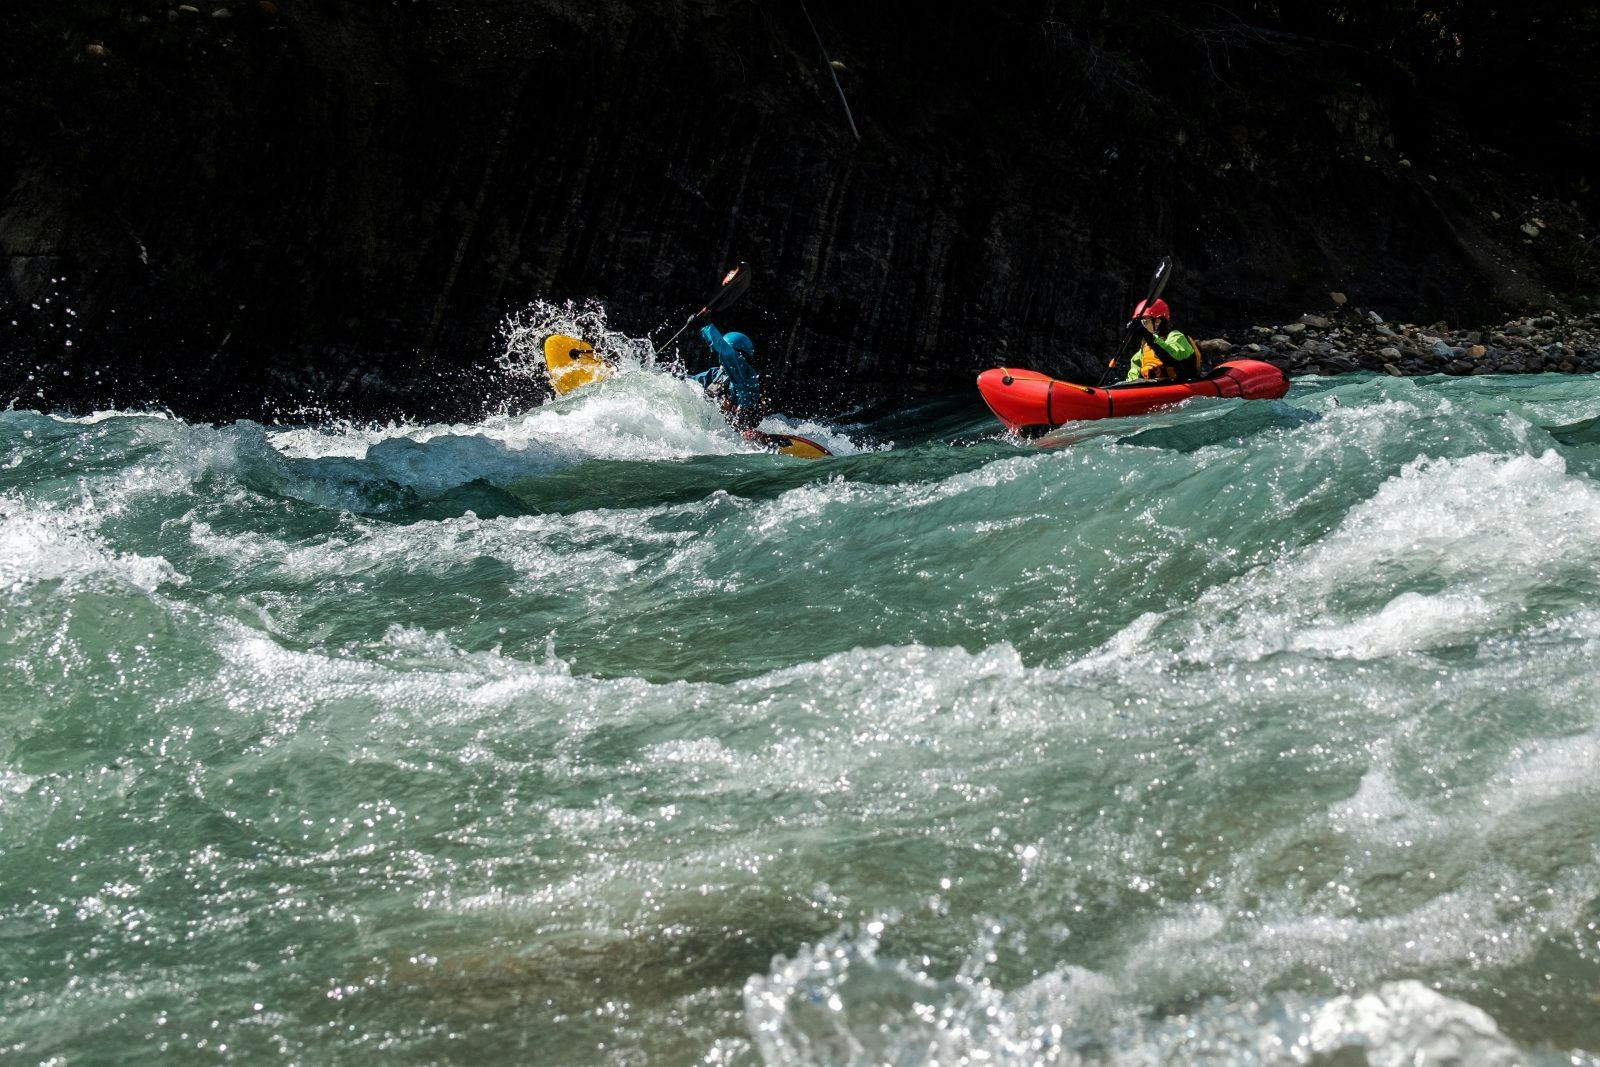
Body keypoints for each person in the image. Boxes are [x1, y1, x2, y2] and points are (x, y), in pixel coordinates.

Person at [690, 324, 762, 432]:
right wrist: (674, 374)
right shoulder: (717, 374)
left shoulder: (746, 375)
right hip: (718, 433)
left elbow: (728, 354)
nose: (720, 357)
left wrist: (704, 326)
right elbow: (692, 382)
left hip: (741, 432)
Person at [1124, 298, 1203, 383]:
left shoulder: (1176, 336)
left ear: (1157, 321)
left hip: (1185, 384)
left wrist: (1147, 335)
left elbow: (1171, 358)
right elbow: (1134, 373)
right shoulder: (1145, 346)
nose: (1142, 326)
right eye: (1140, 323)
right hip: (1157, 386)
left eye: (1144, 321)